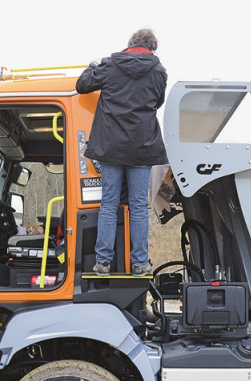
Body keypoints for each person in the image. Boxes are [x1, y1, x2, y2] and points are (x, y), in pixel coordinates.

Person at [76, 28, 168, 276]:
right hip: (142, 146)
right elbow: (157, 102)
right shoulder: (158, 72)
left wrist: (91, 67)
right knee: (138, 205)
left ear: (130, 44)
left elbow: (82, 85)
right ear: (152, 49)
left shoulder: (110, 65)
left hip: (110, 146)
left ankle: (103, 262)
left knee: (109, 203)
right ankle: (139, 263)